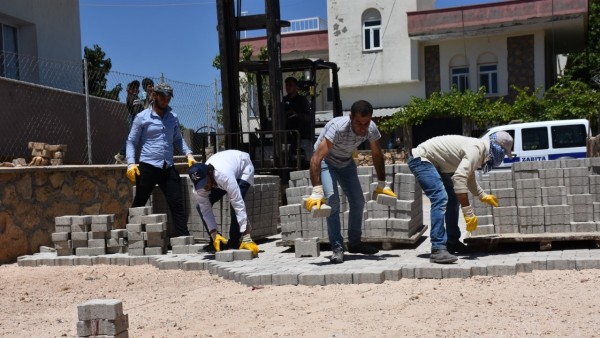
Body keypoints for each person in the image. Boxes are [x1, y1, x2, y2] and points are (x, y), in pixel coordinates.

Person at [304, 100, 397, 264]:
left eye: (366, 123)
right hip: (327, 161)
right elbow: (316, 158)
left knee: (358, 201)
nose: (362, 128)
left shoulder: (371, 128)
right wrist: (317, 190)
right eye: (358, 123)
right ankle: (337, 247)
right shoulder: (338, 128)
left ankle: (354, 243)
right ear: (350, 117)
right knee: (332, 200)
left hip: (346, 162)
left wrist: (382, 183)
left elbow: (376, 154)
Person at [407, 131, 513, 264]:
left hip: (435, 163)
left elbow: (469, 177)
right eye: (503, 153)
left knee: (452, 199)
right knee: (440, 198)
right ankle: (437, 248)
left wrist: (482, 195)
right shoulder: (477, 149)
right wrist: (468, 212)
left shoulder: (479, 150)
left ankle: (452, 242)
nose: (501, 158)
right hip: (421, 159)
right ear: (498, 149)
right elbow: (459, 179)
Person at [125, 82, 196, 237]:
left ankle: (183, 238)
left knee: (176, 203)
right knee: (139, 202)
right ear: (154, 95)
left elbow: (178, 139)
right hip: (148, 166)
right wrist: (130, 163)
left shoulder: (173, 117)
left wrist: (188, 154)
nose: (166, 101)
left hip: (167, 167)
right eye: (163, 97)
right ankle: (126, 235)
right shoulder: (141, 118)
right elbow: (131, 141)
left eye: (168, 98)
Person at [187, 150, 259, 257]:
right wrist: (214, 233)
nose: (204, 187)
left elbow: (238, 203)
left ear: (209, 173)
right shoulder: (200, 186)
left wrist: (246, 235)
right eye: (200, 185)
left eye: (205, 183)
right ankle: (217, 241)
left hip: (243, 167)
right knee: (200, 206)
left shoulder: (224, 176)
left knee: (234, 205)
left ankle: (236, 241)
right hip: (222, 172)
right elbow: (205, 209)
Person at [283, 77, 312, 163]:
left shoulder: (302, 100)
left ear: (295, 87)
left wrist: (297, 115)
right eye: (287, 85)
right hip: (286, 133)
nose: (288, 87)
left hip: (301, 133)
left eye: (290, 85)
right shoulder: (283, 101)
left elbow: (309, 117)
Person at [115, 80, 144, 164]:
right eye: (133, 88)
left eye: (137, 88)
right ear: (129, 90)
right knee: (132, 138)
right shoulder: (131, 97)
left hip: (136, 119)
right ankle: (121, 155)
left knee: (133, 139)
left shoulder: (136, 97)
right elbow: (136, 110)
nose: (136, 89)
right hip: (134, 119)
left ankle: (123, 156)